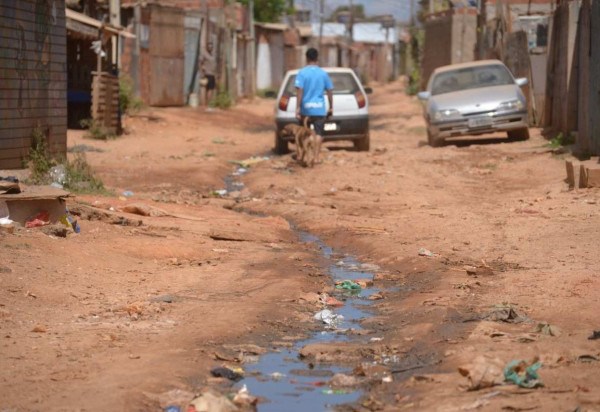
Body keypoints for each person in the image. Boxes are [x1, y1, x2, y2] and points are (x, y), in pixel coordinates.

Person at [295, 47, 333, 159]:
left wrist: (297, 108)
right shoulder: (323, 74)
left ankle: (305, 155)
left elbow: (299, 91)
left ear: (306, 58)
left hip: (305, 109)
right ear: (317, 58)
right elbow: (330, 91)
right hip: (319, 109)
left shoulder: (301, 73)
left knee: (304, 133)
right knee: (319, 133)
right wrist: (331, 107)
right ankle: (315, 157)